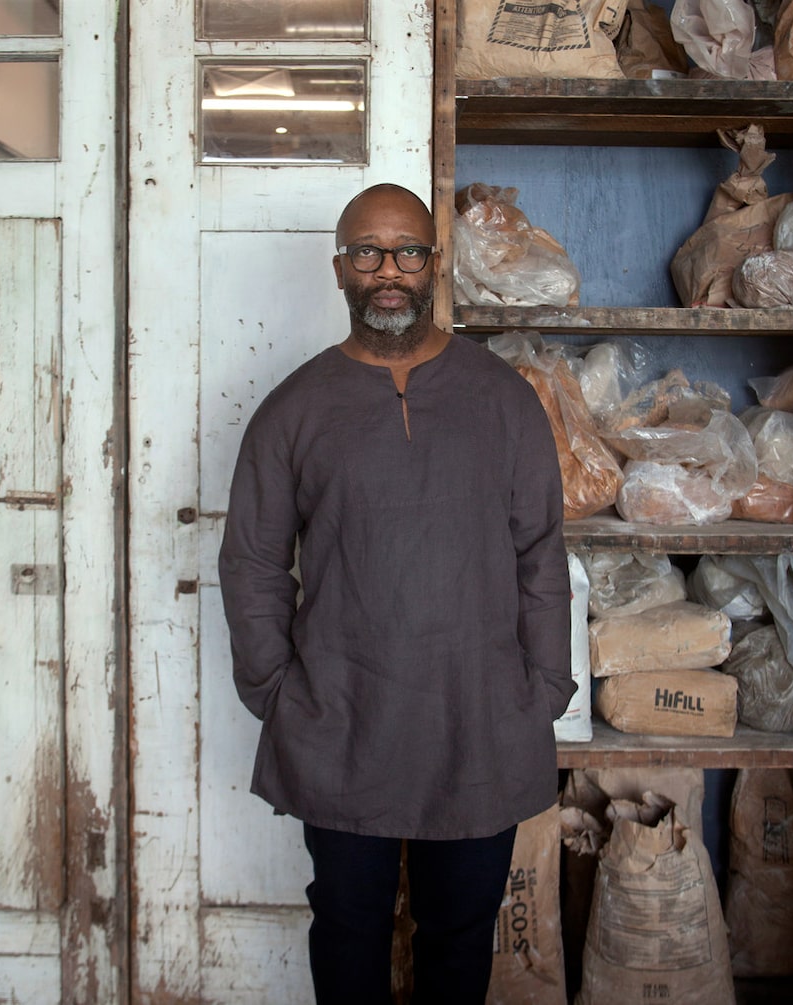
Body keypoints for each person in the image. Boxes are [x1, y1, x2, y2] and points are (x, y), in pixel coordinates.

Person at [218, 183, 575, 1005]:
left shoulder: (504, 400)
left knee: (459, 928)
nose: (390, 271)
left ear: (434, 265)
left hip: (479, 715)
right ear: (339, 266)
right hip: (343, 717)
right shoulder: (294, 410)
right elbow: (254, 561)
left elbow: (540, 552)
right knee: (347, 924)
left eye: (409, 252)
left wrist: (546, 687)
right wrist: (276, 690)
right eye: (369, 252)